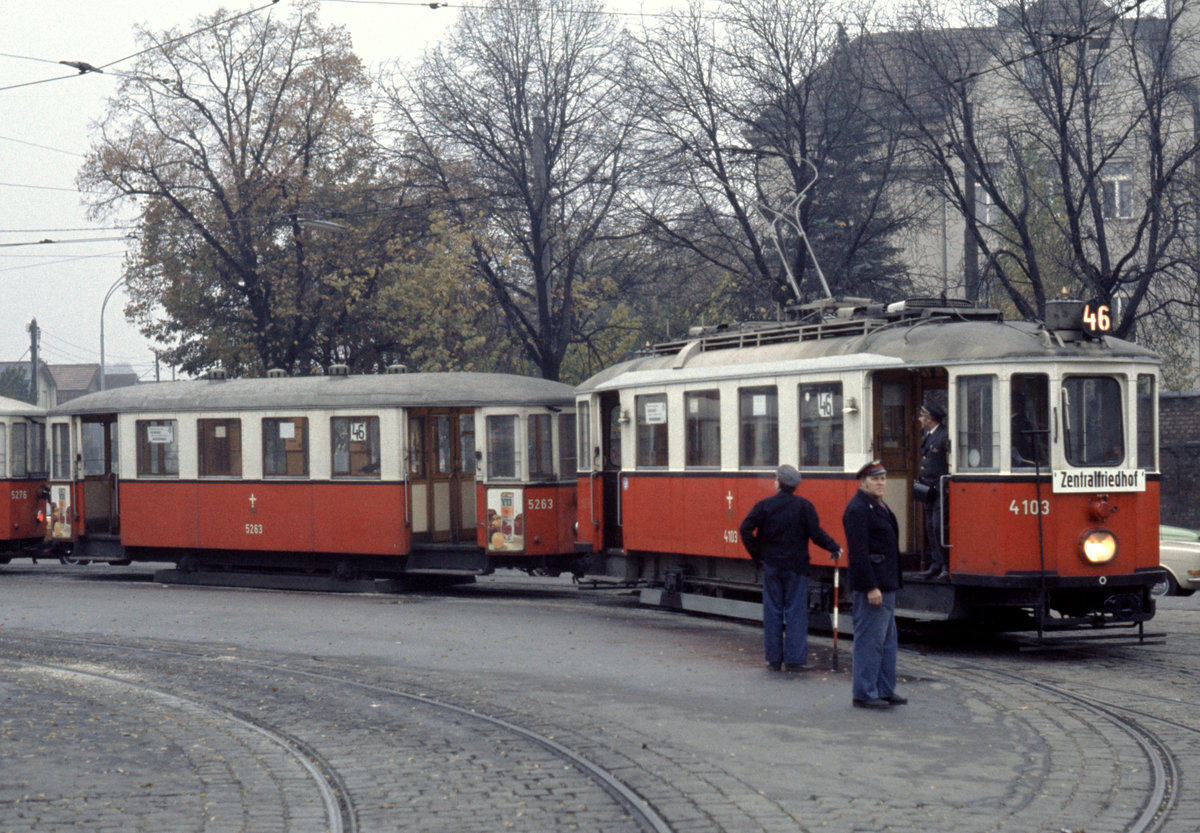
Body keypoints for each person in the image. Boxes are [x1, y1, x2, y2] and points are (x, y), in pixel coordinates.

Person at [740, 464, 842, 672]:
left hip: (772, 566)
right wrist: (834, 547)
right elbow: (816, 534)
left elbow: (745, 529)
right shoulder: (804, 507)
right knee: (796, 612)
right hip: (797, 567)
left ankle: (774, 659)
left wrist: (757, 555)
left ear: (778, 483)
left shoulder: (764, 506)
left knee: (773, 612)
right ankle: (795, 660)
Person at [842, 460, 906, 710]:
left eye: (883, 478)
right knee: (870, 641)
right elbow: (858, 553)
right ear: (863, 481)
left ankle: (884, 689)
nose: (881, 483)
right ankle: (864, 693)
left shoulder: (877, 505)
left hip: (886, 583)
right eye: (876, 479)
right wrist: (870, 587)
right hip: (874, 586)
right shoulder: (858, 509)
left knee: (888, 641)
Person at [917, 397, 950, 580]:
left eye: (922, 416)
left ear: (930, 418)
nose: (920, 419)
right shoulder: (929, 436)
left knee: (939, 526)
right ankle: (936, 563)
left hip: (939, 487)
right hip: (926, 486)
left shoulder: (944, 435)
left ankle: (946, 564)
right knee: (929, 526)